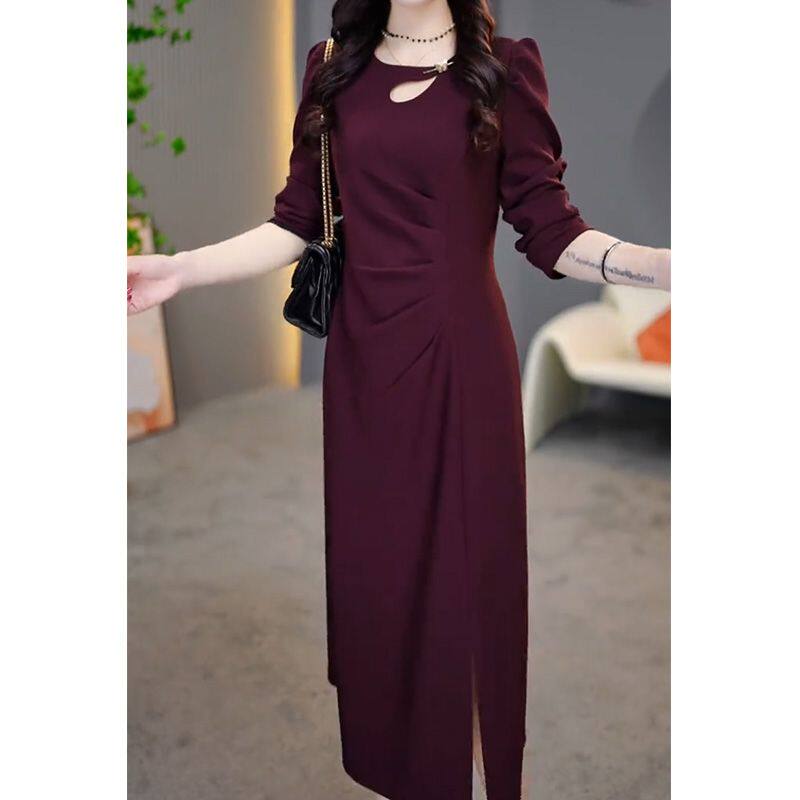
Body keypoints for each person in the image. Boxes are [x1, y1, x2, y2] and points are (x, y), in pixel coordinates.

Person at [127, 1, 670, 798]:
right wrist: (180, 269)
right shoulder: (331, 69)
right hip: (364, 363)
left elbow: (552, 231)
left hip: (462, 362)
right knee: (380, 580)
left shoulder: (504, 70)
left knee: (468, 588)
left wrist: (662, 267)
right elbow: (296, 221)